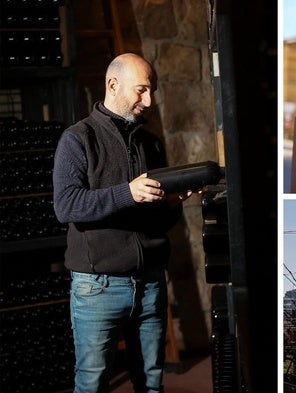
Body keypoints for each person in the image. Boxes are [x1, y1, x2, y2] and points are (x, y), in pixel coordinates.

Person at [53, 53, 192, 392]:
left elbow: (156, 221)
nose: (149, 100)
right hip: (98, 287)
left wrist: (173, 203)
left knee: (151, 384)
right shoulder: (77, 139)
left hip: (150, 284)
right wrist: (127, 193)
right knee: (92, 384)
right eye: (142, 90)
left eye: (152, 91)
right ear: (113, 85)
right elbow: (66, 206)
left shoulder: (150, 142)